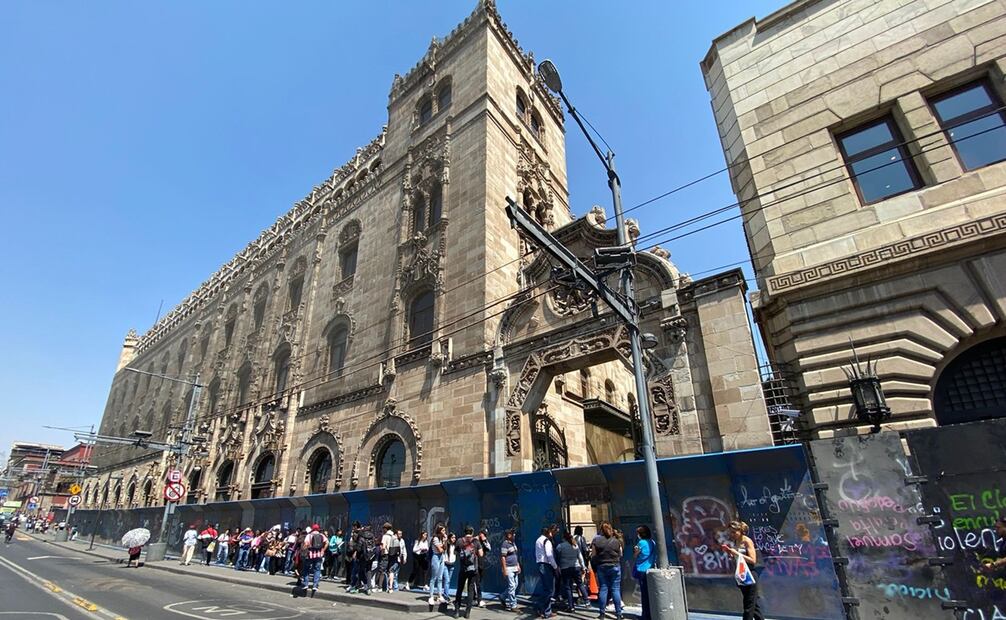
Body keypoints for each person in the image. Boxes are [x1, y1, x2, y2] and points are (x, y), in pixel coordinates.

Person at [723, 520, 764, 620]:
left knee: (748, 606)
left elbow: (752, 560)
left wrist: (736, 553)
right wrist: (731, 555)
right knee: (754, 606)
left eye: (734, 532)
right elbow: (739, 559)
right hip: (742, 574)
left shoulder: (747, 541)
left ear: (740, 531)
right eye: (730, 532)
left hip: (750, 574)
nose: (732, 534)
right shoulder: (736, 541)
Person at [591, 522, 623, 620]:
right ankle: (618, 614)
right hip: (615, 566)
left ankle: (602, 614)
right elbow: (621, 554)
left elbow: (593, 555)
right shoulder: (617, 541)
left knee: (603, 589)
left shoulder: (596, 541)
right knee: (615, 589)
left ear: (601, 530)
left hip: (602, 566)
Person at [454, 527, 483, 618]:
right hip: (473, 570)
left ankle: (457, 611)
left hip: (463, 569)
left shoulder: (459, 541)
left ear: (464, 532)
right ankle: (467, 613)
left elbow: (455, 553)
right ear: (472, 532)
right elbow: (481, 554)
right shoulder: (476, 541)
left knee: (459, 589)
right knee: (470, 590)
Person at [535, 524, 559, 619]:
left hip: (541, 564)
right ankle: (541, 607)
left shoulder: (538, 540)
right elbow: (549, 556)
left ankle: (546, 610)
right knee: (549, 590)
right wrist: (555, 567)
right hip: (546, 566)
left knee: (546, 589)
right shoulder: (547, 541)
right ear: (548, 532)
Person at [556, 531, 582, 612]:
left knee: (568, 587)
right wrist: (583, 566)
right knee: (579, 583)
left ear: (564, 538)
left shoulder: (560, 546)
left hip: (565, 568)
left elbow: (556, 553)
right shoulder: (575, 545)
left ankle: (571, 606)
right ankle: (586, 600)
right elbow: (579, 556)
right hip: (575, 567)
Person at [633, 526, 655, 620]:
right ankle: (650, 613)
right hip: (650, 568)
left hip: (642, 569)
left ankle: (645, 615)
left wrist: (635, 550)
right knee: (649, 593)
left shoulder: (641, 543)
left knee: (644, 594)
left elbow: (636, 555)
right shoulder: (652, 542)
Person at [300, 524, 328, 594]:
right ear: (318, 529)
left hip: (310, 555)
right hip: (319, 555)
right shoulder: (322, 535)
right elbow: (327, 542)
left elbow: (305, 545)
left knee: (306, 569)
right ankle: (315, 585)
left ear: (312, 529)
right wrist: (323, 550)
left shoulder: (309, 535)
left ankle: (306, 584)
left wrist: (303, 549)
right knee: (317, 570)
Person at [500, 529, 521, 612]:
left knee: (515, 585)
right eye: (513, 534)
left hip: (515, 567)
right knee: (512, 586)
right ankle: (513, 605)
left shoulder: (513, 543)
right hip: (509, 568)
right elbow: (503, 557)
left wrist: (518, 565)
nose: (514, 535)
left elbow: (515, 555)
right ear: (509, 535)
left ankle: (502, 597)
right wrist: (504, 569)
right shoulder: (505, 544)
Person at [428, 524, 447, 605]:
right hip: (436, 557)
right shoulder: (435, 538)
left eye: (444, 530)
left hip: (442, 558)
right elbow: (440, 550)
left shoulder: (442, 539)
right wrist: (442, 546)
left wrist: (445, 541)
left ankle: (439, 595)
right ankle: (431, 596)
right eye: (443, 530)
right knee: (434, 577)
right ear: (439, 531)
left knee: (440, 578)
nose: (444, 532)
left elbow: (445, 548)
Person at [573, 526, 591, 608]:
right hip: (581, 562)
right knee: (581, 580)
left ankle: (579, 596)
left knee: (576, 580)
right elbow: (585, 550)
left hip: (572, 562)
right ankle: (582, 597)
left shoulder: (572, 538)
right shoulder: (581, 538)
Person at [475, 529, 491, 607]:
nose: (485, 536)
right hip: (475, 564)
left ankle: (475, 597)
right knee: (476, 582)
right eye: (484, 534)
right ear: (480, 533)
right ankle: (479, 599)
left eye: (486, 535)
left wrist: (485, 541)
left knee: (479, 581)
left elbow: (489, 548)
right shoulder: (475, 540)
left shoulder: (484, 541)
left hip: (481, 564)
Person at [378, 522, 395, 592]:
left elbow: (383, 547)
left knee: (382, 570)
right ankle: (390, 587)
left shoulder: (385, 536)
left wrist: (381, 553)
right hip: (392, 555)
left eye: (383, 528)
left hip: (385, 555)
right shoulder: (394, 536)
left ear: (385, 528)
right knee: (391, 571)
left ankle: (380, 587)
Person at [442, 532, 458, 598]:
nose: (454, 539)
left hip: (452, 565)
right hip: (445, 564)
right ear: (449, 538)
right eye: (452, 537)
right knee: (447, 580)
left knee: (448, 581)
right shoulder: (446, 545)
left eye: (454, 537)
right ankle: (446, 595)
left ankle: (445, 593)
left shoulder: (455, 546)